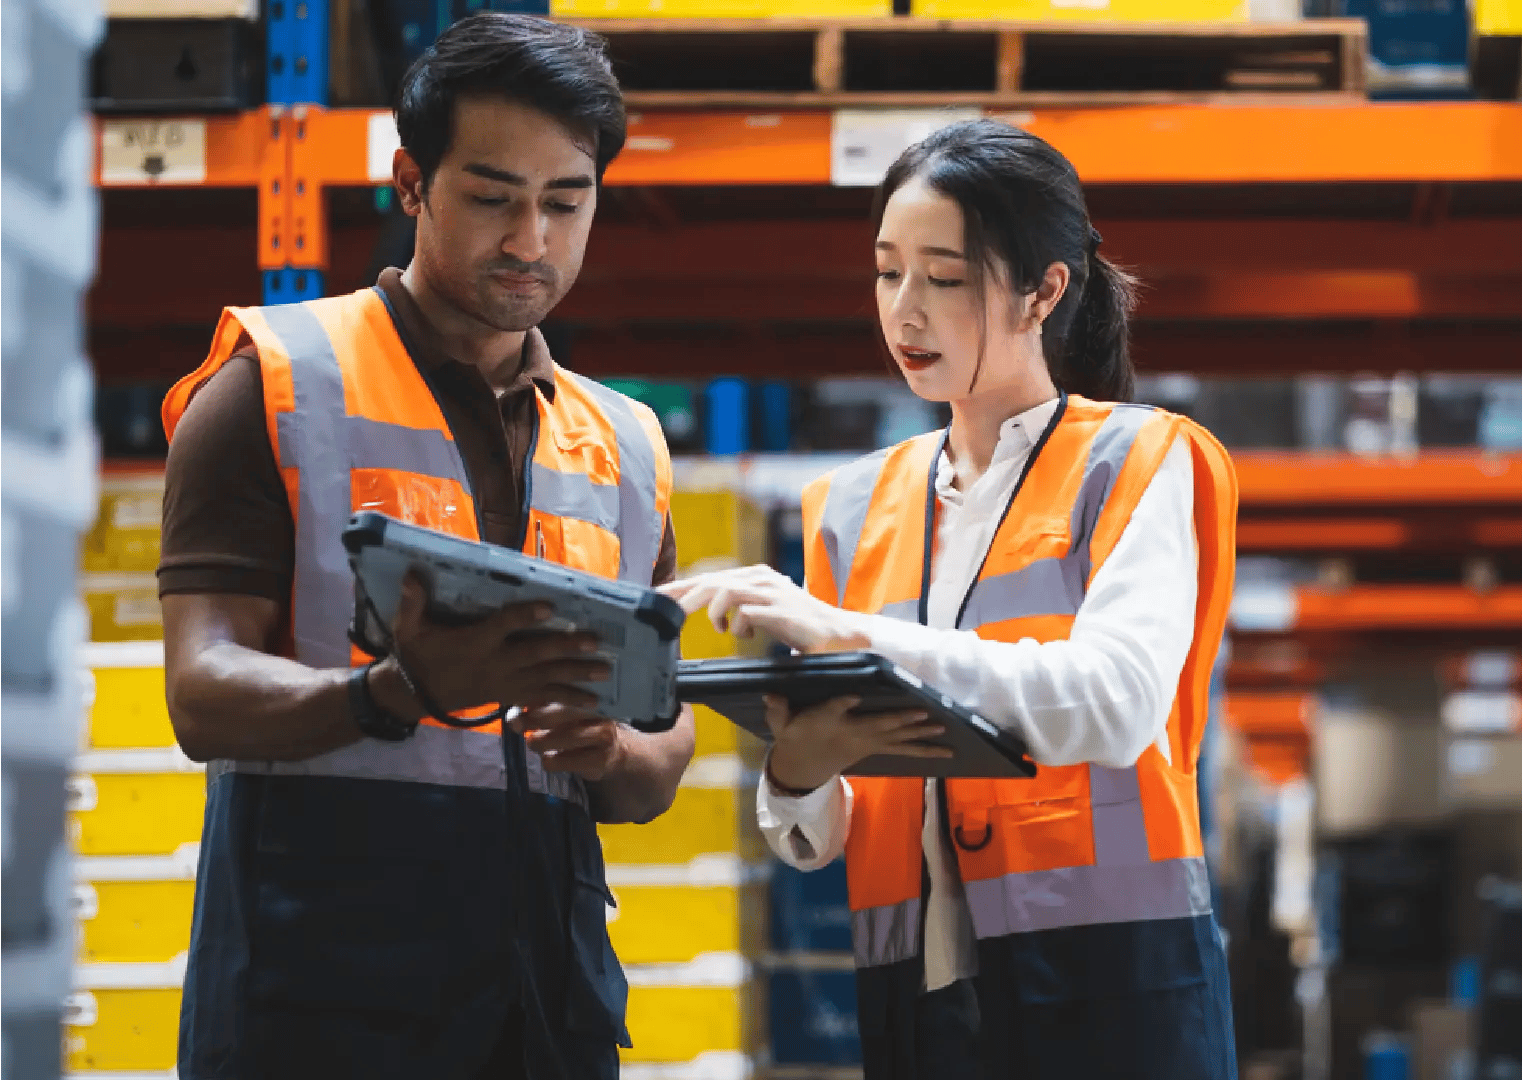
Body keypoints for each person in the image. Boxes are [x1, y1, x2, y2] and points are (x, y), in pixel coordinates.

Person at [155, 14, 695, 1079]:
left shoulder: (627, 444)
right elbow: (197, 688)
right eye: (494, 197)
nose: (530, 241)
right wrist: (390, 691)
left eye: (565, 202)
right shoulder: (270, 384)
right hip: (314, 993)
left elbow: (661, 746)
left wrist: (617, 753)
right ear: (411, 184)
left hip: (547, 998)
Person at [664, 119, 1239, 1080]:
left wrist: (851, 633)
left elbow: (1115, 700)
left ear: (1043, 292)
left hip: (1112, 984)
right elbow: (833, 824)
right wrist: (797, 779)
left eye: (944, 277)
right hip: (918, 1007)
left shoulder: (1140, 462)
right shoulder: (851, 506)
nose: (905, 312)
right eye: (889, 273)